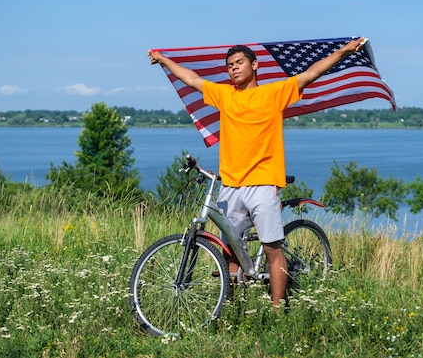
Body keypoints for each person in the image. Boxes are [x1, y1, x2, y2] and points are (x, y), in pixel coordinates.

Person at [148, 37, 366, 310]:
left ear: (254, 65)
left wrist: (344, 51)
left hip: (263, 184)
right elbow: (192, 79)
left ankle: (279, 310)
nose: (233, 69)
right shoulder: (225, 95)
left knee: (273, 249)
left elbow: (312, 73)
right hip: (231, 185)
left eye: (239, 63)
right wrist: (164, 60)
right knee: (231, 249)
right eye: (229, 65)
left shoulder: (273, 93)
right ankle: (231, 307)